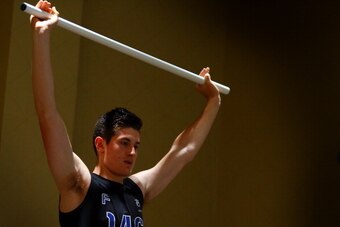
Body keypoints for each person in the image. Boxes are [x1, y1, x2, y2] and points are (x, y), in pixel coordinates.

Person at [30, 1, 221, 226]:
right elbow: (48, 115)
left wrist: (213, 101)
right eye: (124, 143)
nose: (132, 152)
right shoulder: (79, 184)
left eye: (136, 146)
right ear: (101, 144)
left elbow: (183, 151)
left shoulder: (136, 190)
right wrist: (41, 37)